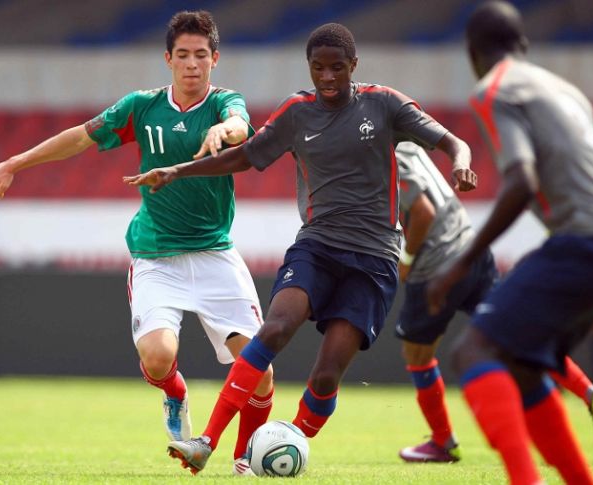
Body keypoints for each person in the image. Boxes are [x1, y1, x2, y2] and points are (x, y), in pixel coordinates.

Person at [123, 22, 477, 475]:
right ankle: (207, 440)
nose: (327, 77)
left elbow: (452, 141)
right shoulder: (297, 112)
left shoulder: (385, 103)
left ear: (354, 66)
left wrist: (462, 162)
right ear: (309, 68)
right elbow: (246, 156)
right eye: (317, 68)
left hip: (374, 260)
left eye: (336, 68)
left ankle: (285, 443)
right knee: (274, 329)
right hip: (318, 245)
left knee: (327, 374)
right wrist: (178, 171)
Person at [0, 10, 274, 476]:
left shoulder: (224, 104)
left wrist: (224, 131)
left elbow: (238, 124)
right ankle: (174, 392)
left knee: (261, 371)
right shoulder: (141, 106)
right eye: (183, 55)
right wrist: (14, 162)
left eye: (201, 56)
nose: (192, 64)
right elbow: (80, 138)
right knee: (157, 357)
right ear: (168, 60)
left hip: (215, 253)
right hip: (156, 256)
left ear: (215, 59)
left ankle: (243, 462)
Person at [426, 2, 593, 484]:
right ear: (523, 45)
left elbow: (522, 181)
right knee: (523, 366)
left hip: (586, 240)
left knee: (475, 352)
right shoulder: (565, 90)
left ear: (472, 53)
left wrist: (460, 263)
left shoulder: (496, 89)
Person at [394, 142, 593, 464]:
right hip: (472, 253)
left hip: (436, 265)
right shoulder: (408, 146)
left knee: (418, 355)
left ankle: (443, 442)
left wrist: (406, 259)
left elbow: (422, 211)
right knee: (518, 336)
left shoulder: (382, 155)